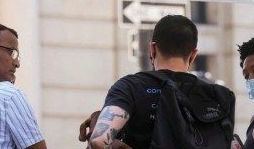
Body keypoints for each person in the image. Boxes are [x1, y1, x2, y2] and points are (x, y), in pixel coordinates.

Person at [79, 15, 233, 149]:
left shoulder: (130, 87)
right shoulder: (218, 96)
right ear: (193, 55)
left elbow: (99, 141)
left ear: (152, 49)